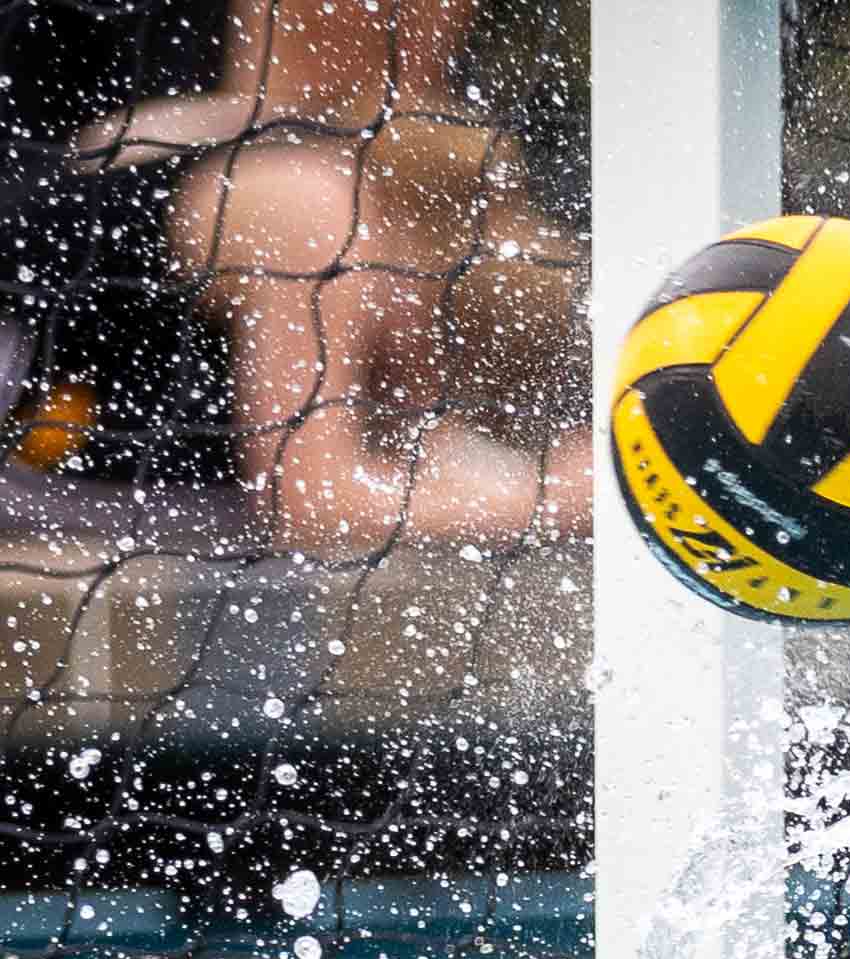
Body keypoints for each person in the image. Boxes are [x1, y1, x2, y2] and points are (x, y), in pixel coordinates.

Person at [77, 0, 588, 554]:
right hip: (156, 564)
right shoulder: (288, 190)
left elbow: (427, 461)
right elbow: (319, 507)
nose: (436, 17)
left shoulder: (453, 185)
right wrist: (565, 491)